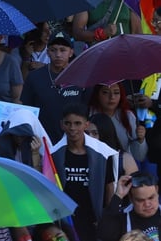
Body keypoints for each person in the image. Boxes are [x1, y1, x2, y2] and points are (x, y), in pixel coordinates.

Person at [51, 103, 117, 241]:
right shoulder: (54, 155)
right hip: (66, 220)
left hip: (93, 219)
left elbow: (109, 187)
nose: (72, 128)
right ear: (61, 125)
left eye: (77, 123)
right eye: (68, 123)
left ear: (86, 125)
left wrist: (107, 217)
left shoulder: (102, 154)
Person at [21, 32, 88, 142]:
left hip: (74, 140)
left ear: (71, 52)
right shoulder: (34, 77)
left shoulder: (81, 78)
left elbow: (86, 109)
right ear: (47, 52)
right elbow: (27, 110)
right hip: (42, 140)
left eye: (63, 50)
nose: (58, 54)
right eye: (53, 50)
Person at [89, 82, 146, 164]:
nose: (112, 97)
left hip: (122, 165)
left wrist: (141, 140)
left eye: (116, 93)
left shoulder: (128, 116)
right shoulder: (89, 114)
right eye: (105, 92)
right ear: (97, 94)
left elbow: (139, 157)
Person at [98, 172, 161, 241]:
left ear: (157, 191)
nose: (147, 204)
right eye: (140, 200)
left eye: (151, 198)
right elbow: (105, 235)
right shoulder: (122, 218)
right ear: (131, 198)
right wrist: (118, 195)